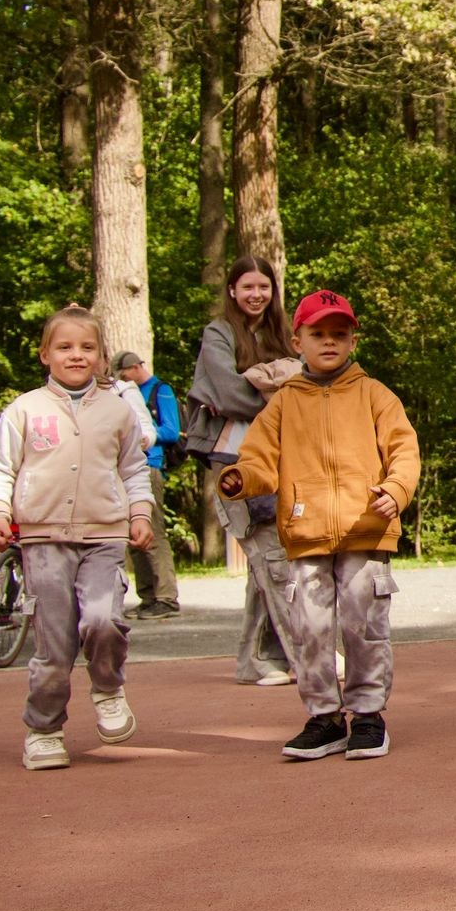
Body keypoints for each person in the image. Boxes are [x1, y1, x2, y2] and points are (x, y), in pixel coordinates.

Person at [222, 289, 417, 762]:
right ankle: (325, 718)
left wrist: (395, 491)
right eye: (318, 334)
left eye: (339, 334)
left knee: (363, 622)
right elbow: (260, 460)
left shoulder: (375, 395)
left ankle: (368, 715)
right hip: (306, 533)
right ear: (297, 342)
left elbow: (404, 451)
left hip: (364, 528)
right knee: (308, 627)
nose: (329, 342)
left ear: (353, 341)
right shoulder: (285, 403)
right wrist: (240, 479)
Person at [0, 305, 153, 772]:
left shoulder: (117, 411)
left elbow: (134, 470)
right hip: (42, 540)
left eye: (87, 348)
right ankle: (44, 730)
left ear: (101, 357)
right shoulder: (25, 409)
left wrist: (140, 512)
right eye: (65, 347)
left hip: (103, 535)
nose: (77, 355)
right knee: (53, 646)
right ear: (45, 355)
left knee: (102, 619)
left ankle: (108, 687)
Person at [183, 256, 304, 688]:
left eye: (264, 287)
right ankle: (309, 656)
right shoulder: (218, 333)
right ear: (232, 290)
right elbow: (228, 394)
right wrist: (282, 395)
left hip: (282, 461)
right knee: (272, 556)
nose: (256, 294)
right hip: (232, 463)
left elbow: (310, 383)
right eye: (247, 287)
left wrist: (267, 384)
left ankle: (254, 659)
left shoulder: (285, 336)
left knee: (267, 561)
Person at [113, 351, 184, 618]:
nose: (121, 379)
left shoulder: (159, 390)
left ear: (133, 368)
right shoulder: (129, 392)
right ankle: (148, 595)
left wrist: (146, 435)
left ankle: (166, 597)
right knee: (135, 535)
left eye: (123, 374)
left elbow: (172, 430)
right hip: (127, 467)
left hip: (150, 464)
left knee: (153, 532)